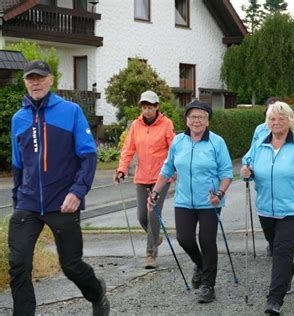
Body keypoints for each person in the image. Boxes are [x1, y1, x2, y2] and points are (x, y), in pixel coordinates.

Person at [9, 60, 109, 315]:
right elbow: (18, 165)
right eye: (30, 78)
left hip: (63, 201)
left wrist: (77, 191)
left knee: (71, 265)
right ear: (25, 82)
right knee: (18, 265)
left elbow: (88, 155)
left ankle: (97, 293)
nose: (35, 82)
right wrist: (17, 197)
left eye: (40, 77)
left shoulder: (71, 111)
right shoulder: (18, 119)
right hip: (28, 203)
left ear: (51, 80)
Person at [147, 100, 233, 303]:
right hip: (184, 200)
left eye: (201, 117)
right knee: (184, 239)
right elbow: (168, 169)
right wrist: (155, 193)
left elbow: (227, 173)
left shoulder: (217, 143)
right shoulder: (178, 142)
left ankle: (208, 286)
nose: (196, 121)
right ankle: (201, 264)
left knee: (207, 240)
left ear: (208, 122)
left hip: (209, 201)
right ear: (186, 120)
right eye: (193, 117)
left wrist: (220, 194)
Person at [241, 101, 294, 315]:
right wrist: (246, 171)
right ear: (267, 122)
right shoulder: (259, 143)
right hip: (265, 208)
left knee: (282, 250)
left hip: (292, 209)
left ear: (290, 121)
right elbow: (247, 163)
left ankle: (274, 300)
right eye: (272, 119)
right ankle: (289, 271)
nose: (276, 122)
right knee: (276, 246)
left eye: (281, 118)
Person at [114, 91, 175, 269]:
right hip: (142, 176)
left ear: (157, 107)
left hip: (161, 178)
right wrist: (121, 170)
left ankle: (151, 254)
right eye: (144, 107)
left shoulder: (166, 124)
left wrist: (176, 168)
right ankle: (155, 237)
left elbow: (174, 149)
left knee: (153, 213)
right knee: (141, 216)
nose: (147, 111)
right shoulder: (136, 125)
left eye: (150, 107)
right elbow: (128, 150)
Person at [251, 97, 294, 257]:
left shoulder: (292, 131)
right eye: (272, 115)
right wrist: (247, 167)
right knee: (269, 231)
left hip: (288, 193)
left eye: (280, 116)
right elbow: (251, 154)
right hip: (265, 191)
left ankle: (281, 253)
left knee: (283, 243)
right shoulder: (259, 130)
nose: (276, 120)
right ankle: (273, 244)